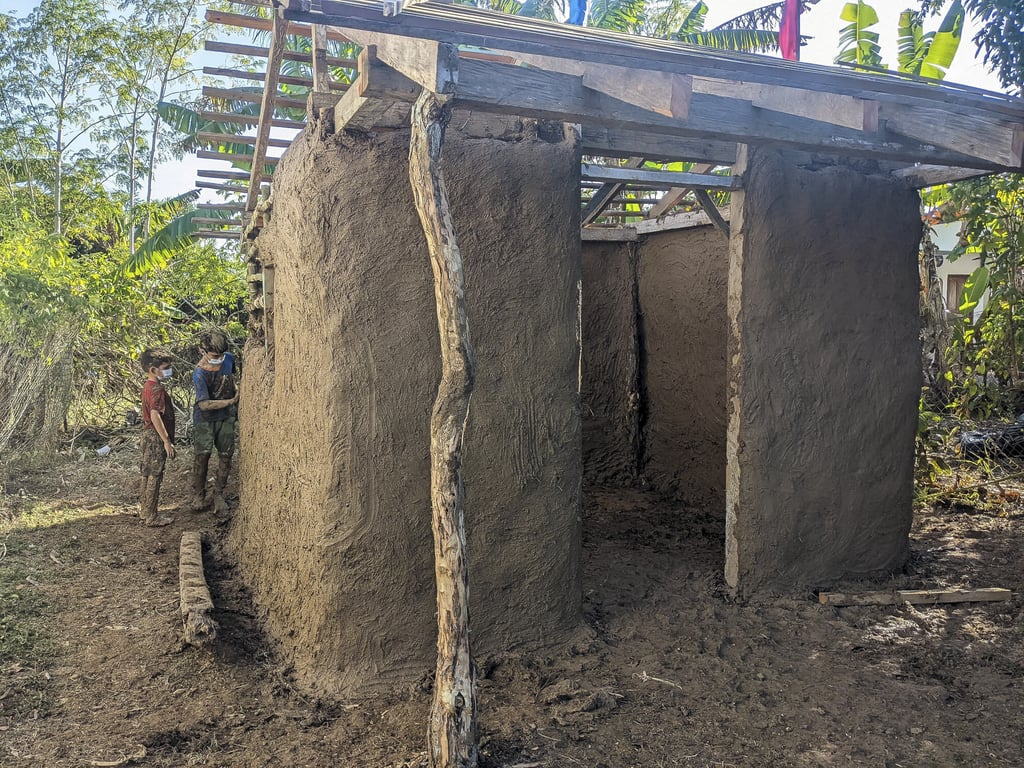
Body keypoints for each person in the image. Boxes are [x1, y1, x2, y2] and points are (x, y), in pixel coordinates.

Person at [190, 330, 239, 513]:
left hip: (226, 418)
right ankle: (198, 495)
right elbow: (203, 405)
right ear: (202, 351)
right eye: (214, 356)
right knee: (202, 457)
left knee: (226, 456)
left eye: (220, 355)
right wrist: (230, 401)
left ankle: (219, 493)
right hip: (205, 420)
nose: (218, 359)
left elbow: (232, 379)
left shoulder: (228, 359)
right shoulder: (200, 374)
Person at [139, 349, 176, 527]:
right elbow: (155, 415)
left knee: (147, 473)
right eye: (166, 367)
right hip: (155, 436)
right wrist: (166, 441)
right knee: (155, 474)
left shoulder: (147, 386)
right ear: (153, 370)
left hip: (146, 434)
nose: (169, 370)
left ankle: (145, 510)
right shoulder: (157, 390)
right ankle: (152, 516)